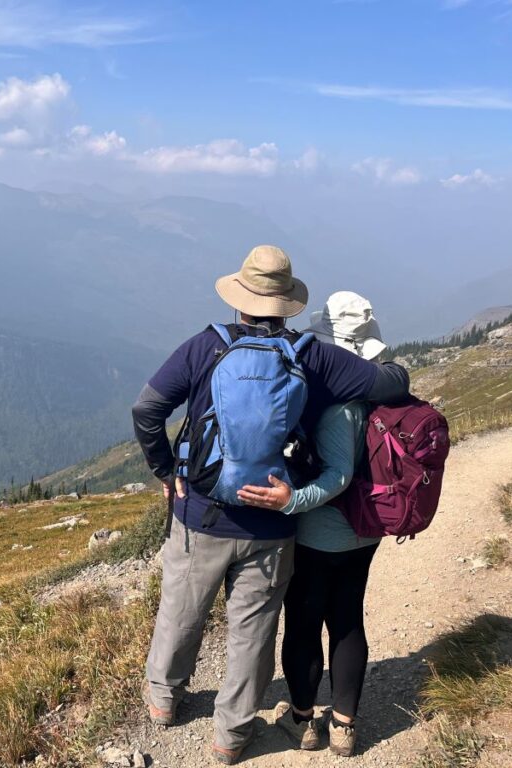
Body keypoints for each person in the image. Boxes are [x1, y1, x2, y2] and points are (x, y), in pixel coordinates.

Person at [132, 247, 409, 765]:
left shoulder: (205, 347)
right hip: (273, 522)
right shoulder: (314, 356)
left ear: (240, 301)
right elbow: (389, 385)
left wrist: (167, 470)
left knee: (181, 612)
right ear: (287, 306)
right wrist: (393, 365)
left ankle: (165, 702)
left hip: (202, 515)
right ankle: (231, 737)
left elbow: (147, 408)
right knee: (252, 629)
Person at [238, 291, 387, 757]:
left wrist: (290, 500)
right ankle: (343, 726)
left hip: (323, 531)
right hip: (366, 528)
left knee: (304, 623)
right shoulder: (380, 386)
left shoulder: (338, 402)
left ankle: (303, 720)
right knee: (347, 620)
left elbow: (338, 475)